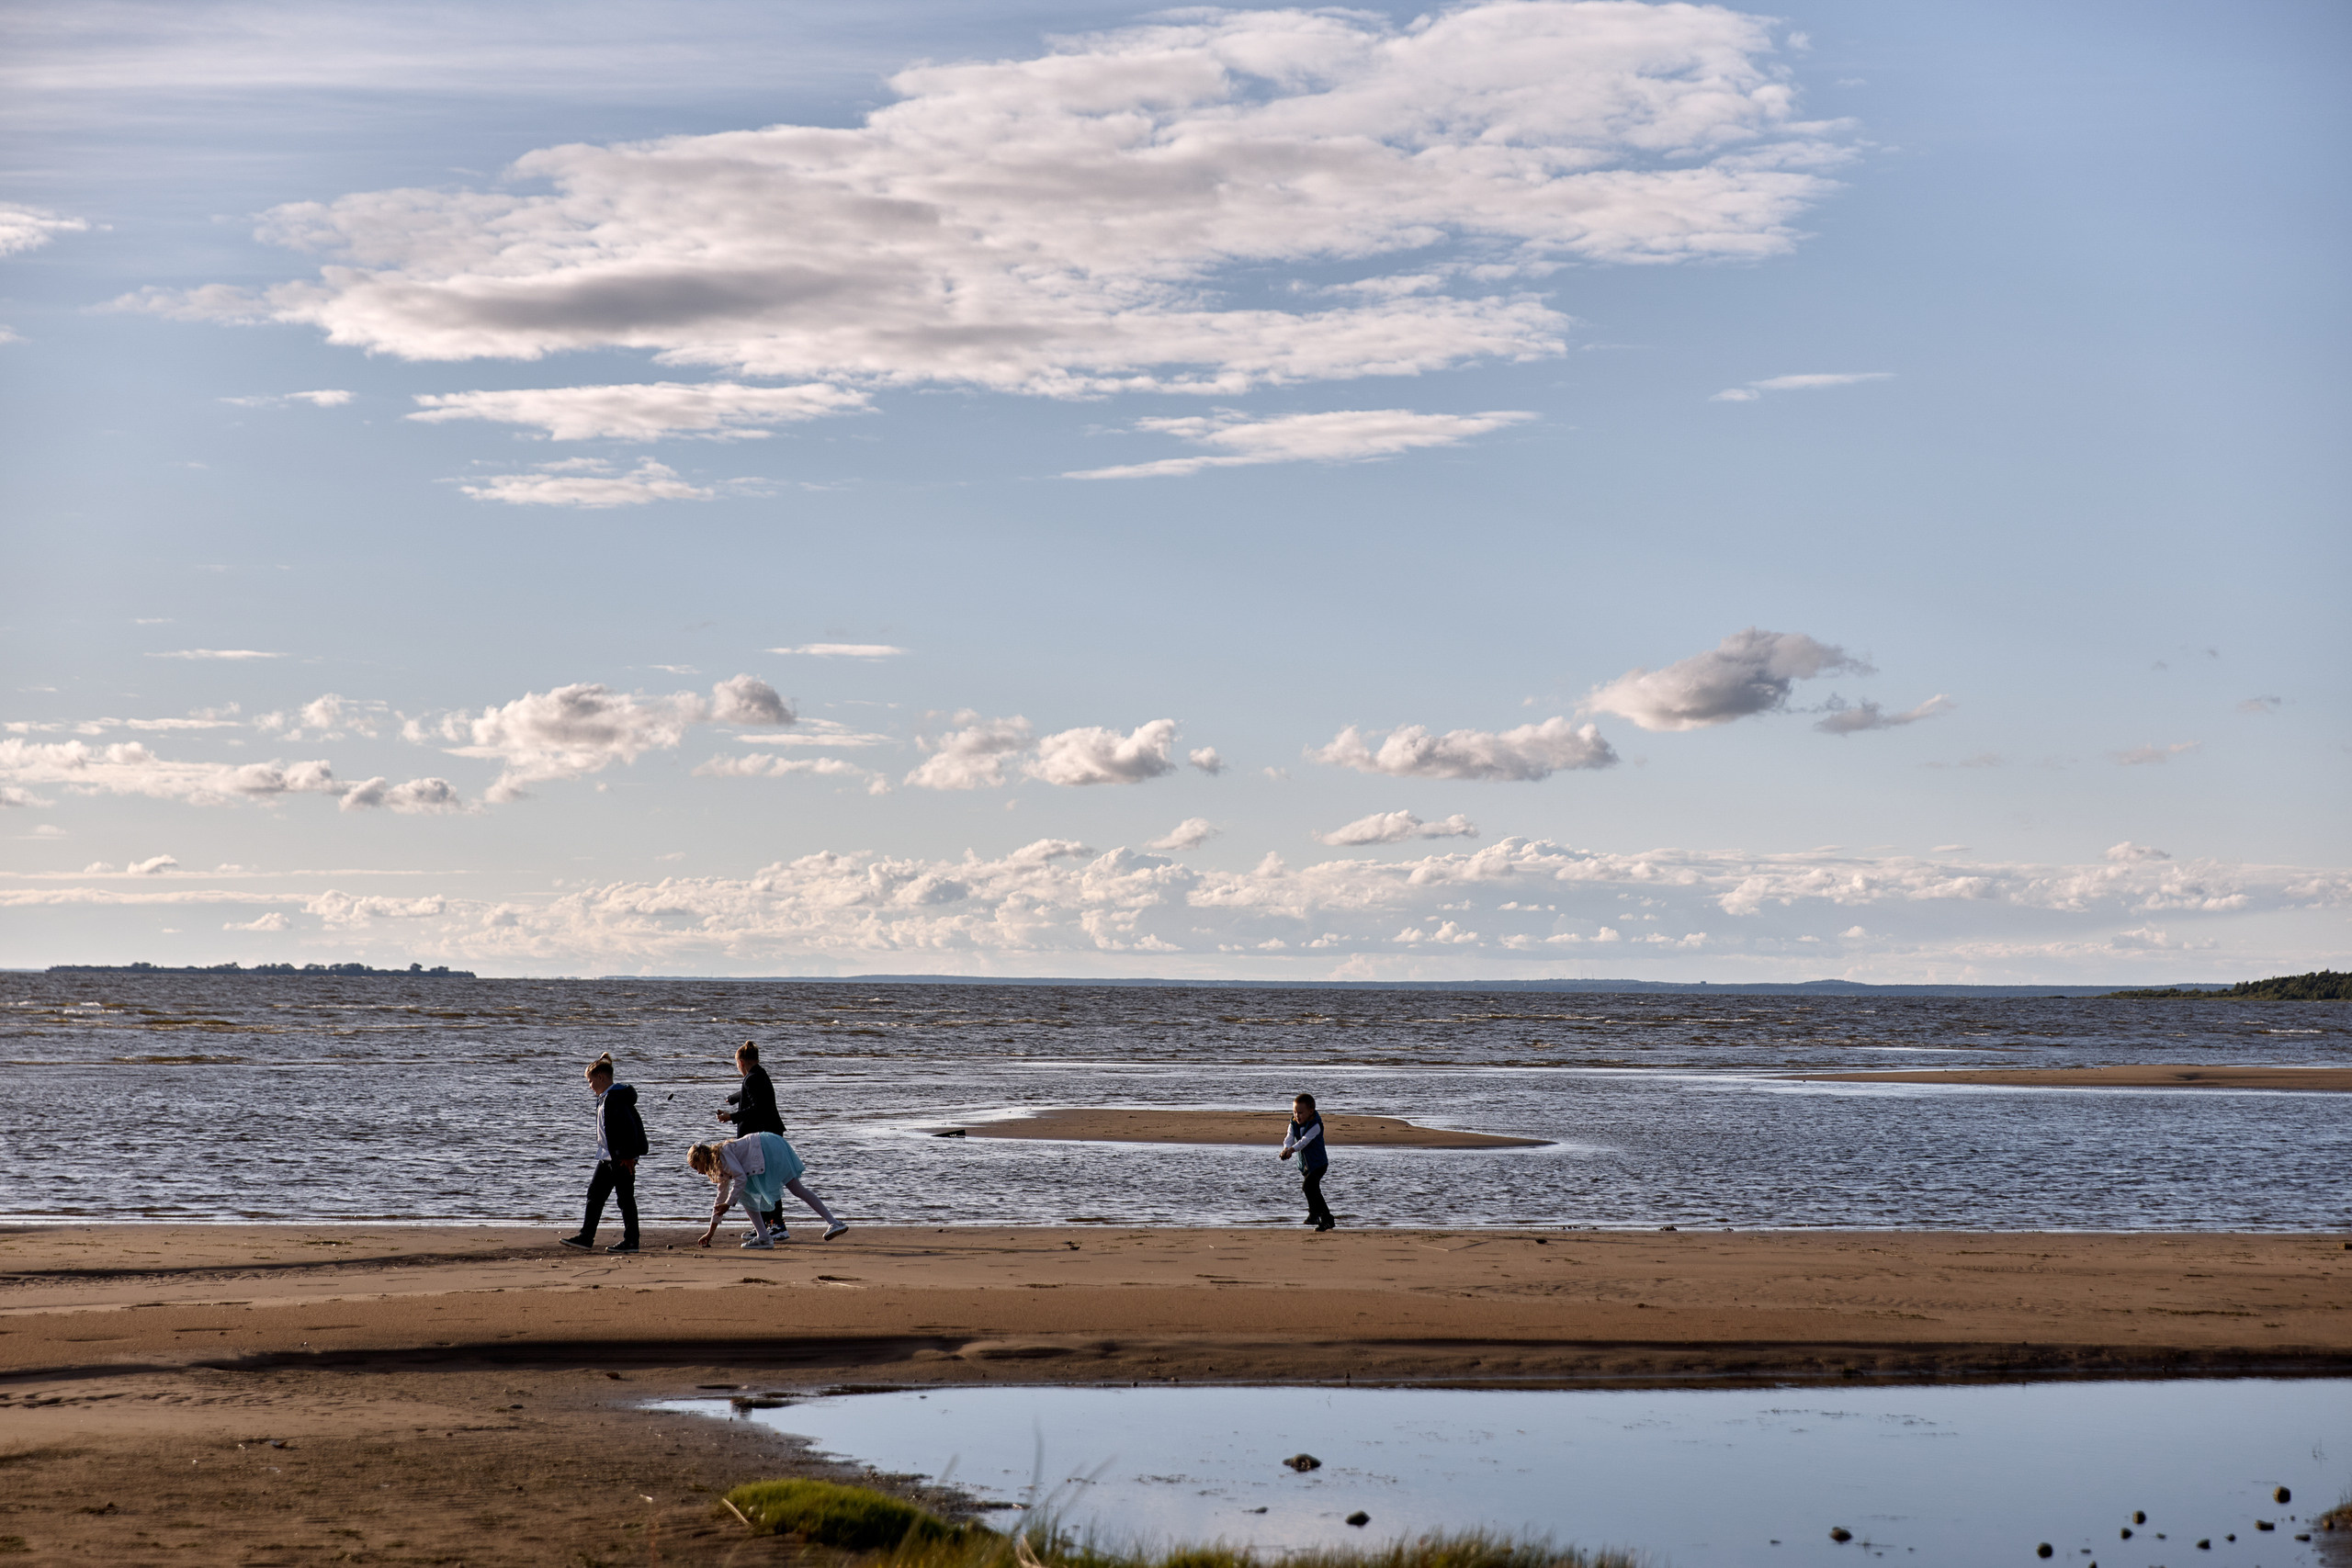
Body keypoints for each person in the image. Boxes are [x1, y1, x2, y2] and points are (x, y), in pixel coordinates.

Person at [688, 1132, 847, 1249]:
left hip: (766, 1149)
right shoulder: (718, 1163)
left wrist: (729, 1203)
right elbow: (720, 1199)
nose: (698, 1172)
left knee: (743, 1194)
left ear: (701, 1159)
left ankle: (763, 1236)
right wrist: (710, 1233)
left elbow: (741, 1178)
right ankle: (833, 1222)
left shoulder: (723, 1155)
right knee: (796, 1188)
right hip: (771, 1144)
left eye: (696, 1167)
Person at [560, 1052, 648, 1254]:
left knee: (625, 1199)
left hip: (620, 1158)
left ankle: (631, 1241)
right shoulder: (606, 1097)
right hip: (608, 1157)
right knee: (595, 1195)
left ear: (601, 1078)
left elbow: (630, 1128)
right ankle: (586, 1237)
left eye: (591, 1081)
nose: (589, 1086)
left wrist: (628, 1156)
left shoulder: (615, 1098)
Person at [716, 1040, 786, 1236]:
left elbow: (757, 1108)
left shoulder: (752, 1079)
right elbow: (751, 1094)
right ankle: (766, 1226)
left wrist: (732, 1116)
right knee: (763, 1180)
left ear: (741, 1062)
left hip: (765, 1137)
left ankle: (777, 1225)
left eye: (737, 1064)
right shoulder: (759, 1074)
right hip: (770, 1135)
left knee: (767, 1180)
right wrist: (733, 1098)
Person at [1278, 1091, 1334, 1232]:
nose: (1297, 1116)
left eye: (1301, 1113)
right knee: (1312, 1190)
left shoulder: (1315, 1126)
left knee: (1308, 1187)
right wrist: (1286, 1149)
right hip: (1306, 1165)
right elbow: (1289, 1138)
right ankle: (1318, 1216)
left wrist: (1292, 1150)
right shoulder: (1293, 1124)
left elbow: (1304, 1142)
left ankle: (1322, 1217)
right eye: (1295, 1112)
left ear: (1311, 1111)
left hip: (1319, 1164)